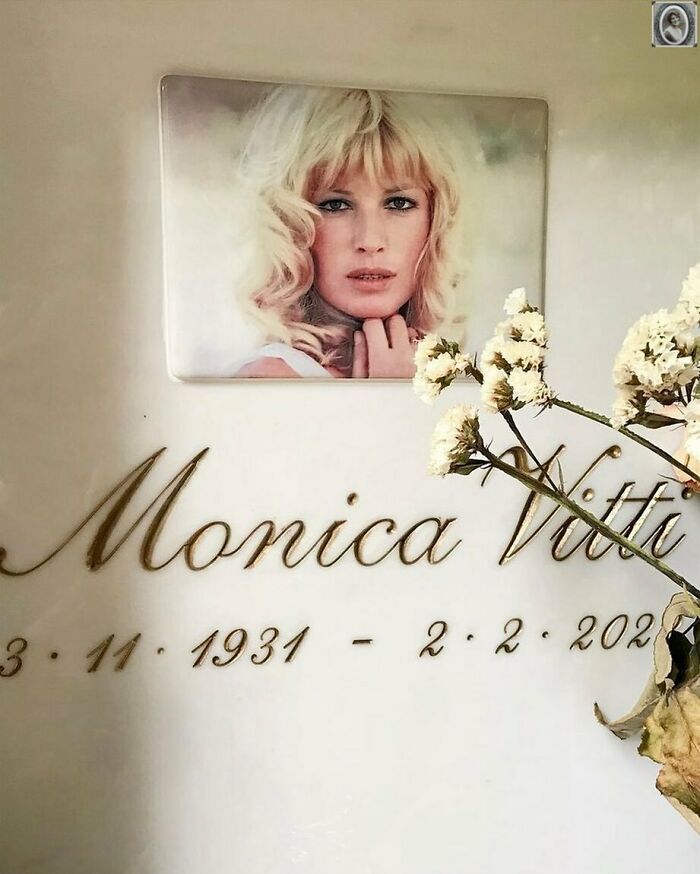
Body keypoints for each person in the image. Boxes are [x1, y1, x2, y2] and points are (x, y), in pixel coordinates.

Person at [231, 85, 478, 378]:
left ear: (435, 221)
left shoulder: (453, 369)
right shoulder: (269, 378)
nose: (370, 241)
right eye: (336, 205)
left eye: (398, 203)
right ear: (291, 224)